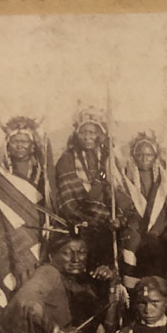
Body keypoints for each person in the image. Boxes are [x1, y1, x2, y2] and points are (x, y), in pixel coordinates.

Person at [0, 116, 46, 330]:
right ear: (7, 143)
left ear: (33, 144)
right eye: (15, 140)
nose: (20, 145)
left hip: (36, 243)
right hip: (3, 243)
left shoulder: (42, 174)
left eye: (25, 141)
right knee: (5, 285)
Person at [55, 106, 123, 268]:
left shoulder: (109, 160)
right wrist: (88, 222)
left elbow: (120, 194)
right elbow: (67, 201)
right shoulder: (67, 159)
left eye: (92, 133)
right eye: (83, 132)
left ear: (100, 135)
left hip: (108, 226)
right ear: (76, 135)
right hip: (79, 227)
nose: (87, 137)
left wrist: (119, 219)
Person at [118, 131, 167, 284]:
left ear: (155, 157)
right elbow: (122, 206)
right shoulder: (126, 180)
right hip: (135, 233)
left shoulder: (165, 181)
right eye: (140, 155)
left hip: (159, 234)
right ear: (133, 156)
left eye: (149, 155)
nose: (144, 159)